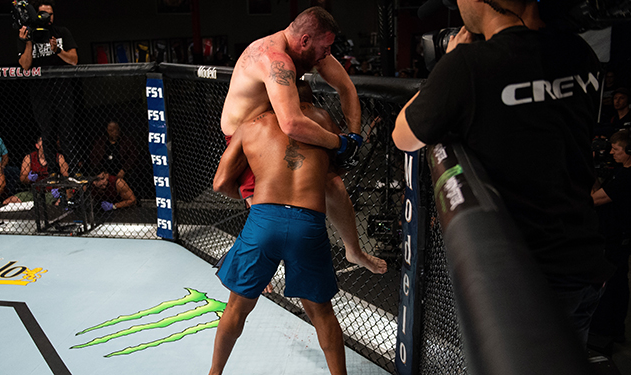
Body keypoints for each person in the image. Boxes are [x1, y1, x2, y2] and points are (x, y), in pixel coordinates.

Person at [392, 0, 614, 346]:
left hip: (526, 278)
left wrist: (448, 62)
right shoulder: (578, 52)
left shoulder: (469, 65)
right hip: (585, 264)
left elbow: (404, 136)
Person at [210, 85, 364, 375]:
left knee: (236, 308)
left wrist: (250, 198)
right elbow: (335, 176)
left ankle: (214, 373)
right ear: (307, 100)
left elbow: (220, 183)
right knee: (322, 312)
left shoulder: (252, 125)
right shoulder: (322, 121)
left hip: (263, 220)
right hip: (308, 223)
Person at [221, 6, 384, 274]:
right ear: (305, 41)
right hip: (247, 138)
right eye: (325, 48)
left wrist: (354, 135)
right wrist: (340, 143)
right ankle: (258, 264)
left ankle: (353, 251)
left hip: (278, 127)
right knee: (265, 205)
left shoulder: (309, 51)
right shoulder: (274, 58)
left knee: (333, 184)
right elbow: (292, 123)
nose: (327, 54)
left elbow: (346, 88)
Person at [18, 0, 79, 177]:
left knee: (67, 133)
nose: (47, 18)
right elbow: (25, 66)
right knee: (47, 133)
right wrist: (28, 42)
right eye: (43, 14)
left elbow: (74, 60)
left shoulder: (62, 32)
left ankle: (74, 170)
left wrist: (57, 50)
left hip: (62, 90)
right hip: (40, 93)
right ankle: (52, 171)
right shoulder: (27, 34)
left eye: (50, 14)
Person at [590, 129, 631, 343]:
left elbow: (595, 200)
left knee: (613, 283)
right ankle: (612, 330)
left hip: (618, 239)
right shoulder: (619, 170)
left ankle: (607, 331)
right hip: (615, 236)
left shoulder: (626, 176)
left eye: (616, 150)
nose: (612, 153)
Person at [2, 137, 68, 205]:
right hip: (35, 192)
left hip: (52, 193)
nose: (46, 147)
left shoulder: (59, 157)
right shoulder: (29, 158)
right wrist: (28, 178)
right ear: (37, 146)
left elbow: (66, 175)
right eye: (44, 145)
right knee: (7, 201)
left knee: (59, 202)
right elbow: (22, 178)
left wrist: (59, 187)